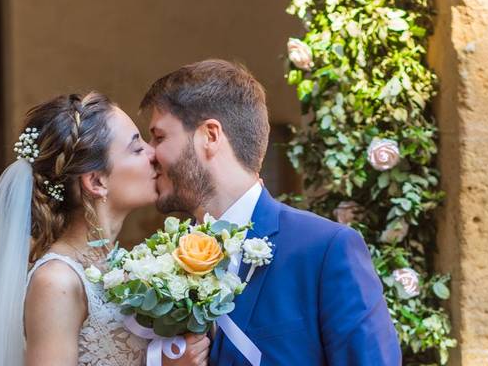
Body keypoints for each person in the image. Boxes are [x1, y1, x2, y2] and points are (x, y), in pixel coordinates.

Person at [142, 60, 402, 365]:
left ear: (210, 135)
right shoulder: (161, 264)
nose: (148, 153)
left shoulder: (325, 249)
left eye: (159, 137)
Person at [0, 92, 208, 366]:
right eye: (136, 148)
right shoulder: (56, 281)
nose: (153, 153)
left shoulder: (116, 265)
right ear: (96, 181)